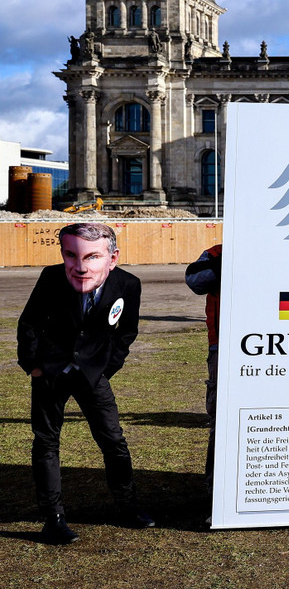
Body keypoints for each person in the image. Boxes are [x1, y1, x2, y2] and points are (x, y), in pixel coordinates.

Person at [17, 223, 153, 544]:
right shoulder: (51, 278)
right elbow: (29, 323)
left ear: (112, 257)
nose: (80, 267)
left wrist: (108, 368)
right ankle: (54, 519)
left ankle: (128, 506)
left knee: (113, 441)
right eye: (71, 256)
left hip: (93, 374)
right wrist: (35, 367)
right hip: (50, 372)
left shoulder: (128, 285)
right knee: (46, 443)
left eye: (92, 257)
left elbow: (126, 332)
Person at [185, 244, 222, 489]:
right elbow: (196, 280)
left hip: (276, 345)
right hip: (223, 346)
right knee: (221, 418)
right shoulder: (217, 252)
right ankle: (215, 489)